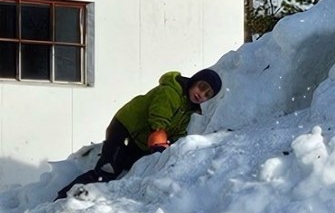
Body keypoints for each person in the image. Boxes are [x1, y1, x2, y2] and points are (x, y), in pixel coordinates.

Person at [56, 68, 221, 199]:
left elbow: (178, 132)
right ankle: (65, 197)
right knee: (108, 170)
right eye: (202, 86)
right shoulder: (171, 91)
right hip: (125, 128)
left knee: (132, 173)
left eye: (208, 95)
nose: (202, 94)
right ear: (194, 81)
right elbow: (158, 115)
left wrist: (177, 147)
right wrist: (159, 136)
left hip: (141, 140)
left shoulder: (187, 111)